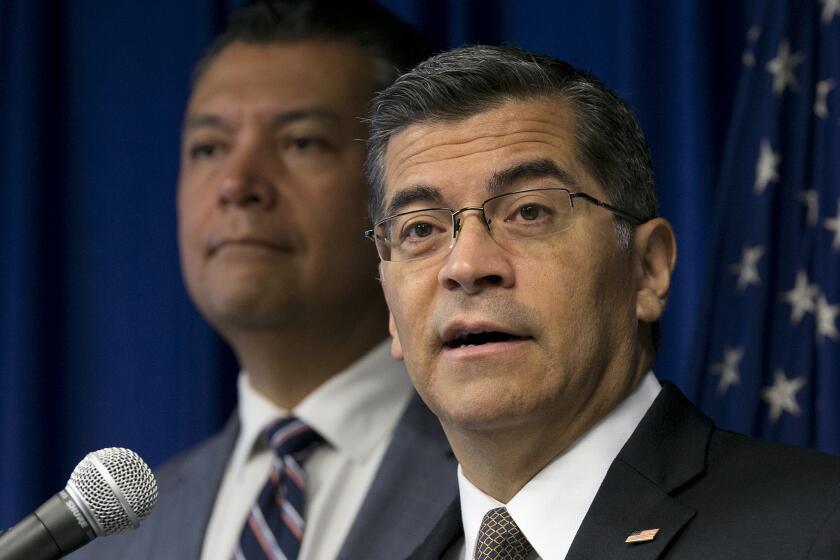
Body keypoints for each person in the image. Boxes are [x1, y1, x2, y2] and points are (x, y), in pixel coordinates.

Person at [366, 45, 840, 559]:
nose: (466, 266)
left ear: (647, 269)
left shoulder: (820, 529)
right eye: (420, 229)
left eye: (529, 212)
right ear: (392, 310)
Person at [70, 3, 457, 560]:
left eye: (301, 142)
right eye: (209, 148)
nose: (237, 183)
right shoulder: (111, 539)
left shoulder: (516, 476)